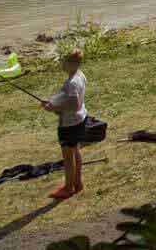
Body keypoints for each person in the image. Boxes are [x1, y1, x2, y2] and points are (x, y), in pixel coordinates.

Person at [42, 49, 88, 200]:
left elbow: (74, 104)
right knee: (75, 151)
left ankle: (68, 188)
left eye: (64, 61)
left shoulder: (72, 83)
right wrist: (53, 102)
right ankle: (77, 183)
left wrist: (54, 108)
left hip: (69, 124)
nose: (61, 64)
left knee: (68, 157)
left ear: (71, 64)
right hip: (80, 120)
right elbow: (69, 100)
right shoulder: (80, 75)